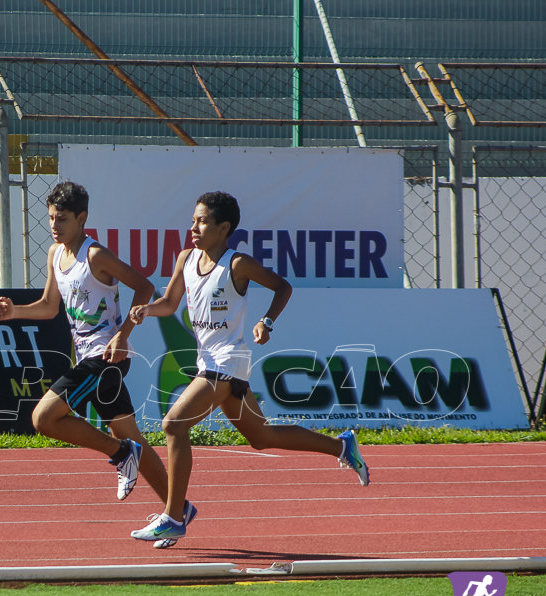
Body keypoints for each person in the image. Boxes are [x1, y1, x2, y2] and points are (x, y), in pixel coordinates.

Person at [128, 190, 369, 545]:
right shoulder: (185, 259)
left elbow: (282, 287)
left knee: (173, 424)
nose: (193, 227)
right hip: (207, 363)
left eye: (202, 221)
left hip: (229, 362)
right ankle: (341, 447)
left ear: (224, 228)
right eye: (193, 219)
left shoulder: (238, 264)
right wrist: (148, 310)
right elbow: (169, 302)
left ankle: (174, 515)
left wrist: (266, 322)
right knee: (261, 437)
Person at [0, 181, 174, 508]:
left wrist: (123, 335)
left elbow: (144, 287)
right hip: (92, 360)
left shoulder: (96, 255)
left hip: (106, 358)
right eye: (50, 218)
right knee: (133, 437)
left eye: (61, 219)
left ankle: (121, 454)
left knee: (44, 419)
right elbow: (49, 306)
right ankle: (176, 511)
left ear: (81, 218)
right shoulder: (54, 254)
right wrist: (15, 311)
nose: (53, 226)